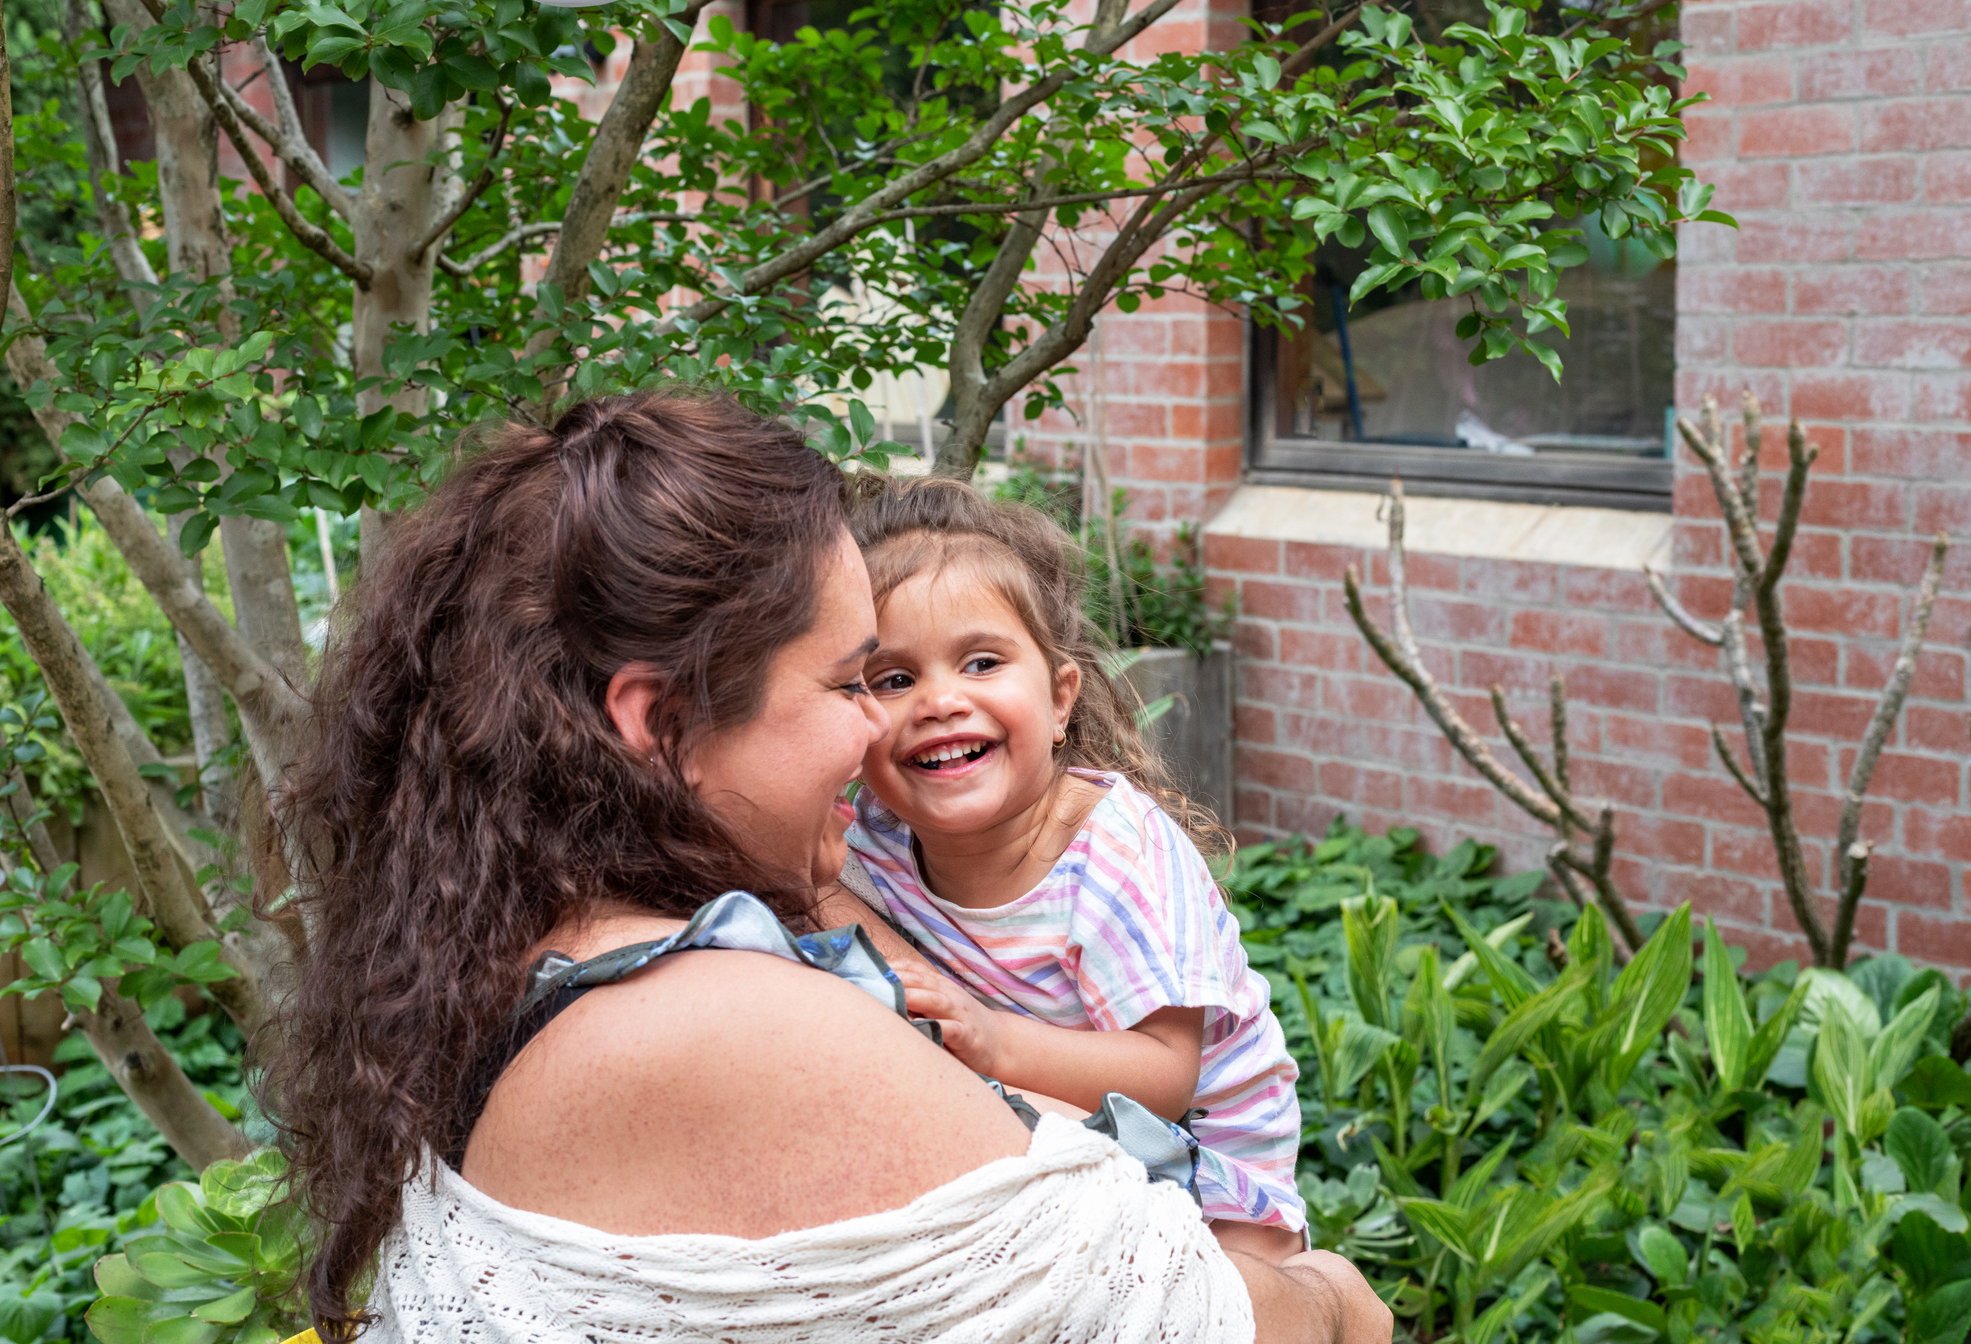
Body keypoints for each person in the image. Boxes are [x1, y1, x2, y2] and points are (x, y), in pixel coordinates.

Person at [262, 390, 1392, 1344]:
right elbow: (1194, 1318)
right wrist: (1336, 1299)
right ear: (664, 722)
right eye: (858, 682)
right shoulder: (725, 1029)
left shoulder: (506, 951)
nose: (879, 734)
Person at [837, 478, 1305, 1262]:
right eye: (893, 679)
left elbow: (1165, 1075)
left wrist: (990, 1040)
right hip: (1052, 1139)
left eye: (981, 662)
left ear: (1060, 701)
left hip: (1217, 1178)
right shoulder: (873, 841)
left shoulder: (1114, 857)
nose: (940, 701)